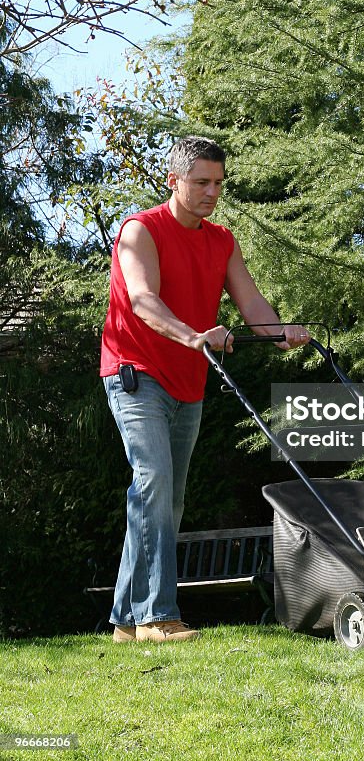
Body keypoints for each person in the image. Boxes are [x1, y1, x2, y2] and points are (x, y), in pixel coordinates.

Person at [100, 135, 310, 643]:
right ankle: (157, 616)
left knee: (164, 499)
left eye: (218, 183)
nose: (211, 192)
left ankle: (126, 621)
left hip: (186, 382)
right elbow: (144, 301)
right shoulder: (140, 231)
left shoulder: (221, 241)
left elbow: (252, 304)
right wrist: (195, 336)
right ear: (173, 181)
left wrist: (281, 332)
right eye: (200, 182)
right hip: (135, 373)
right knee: (153, 483)